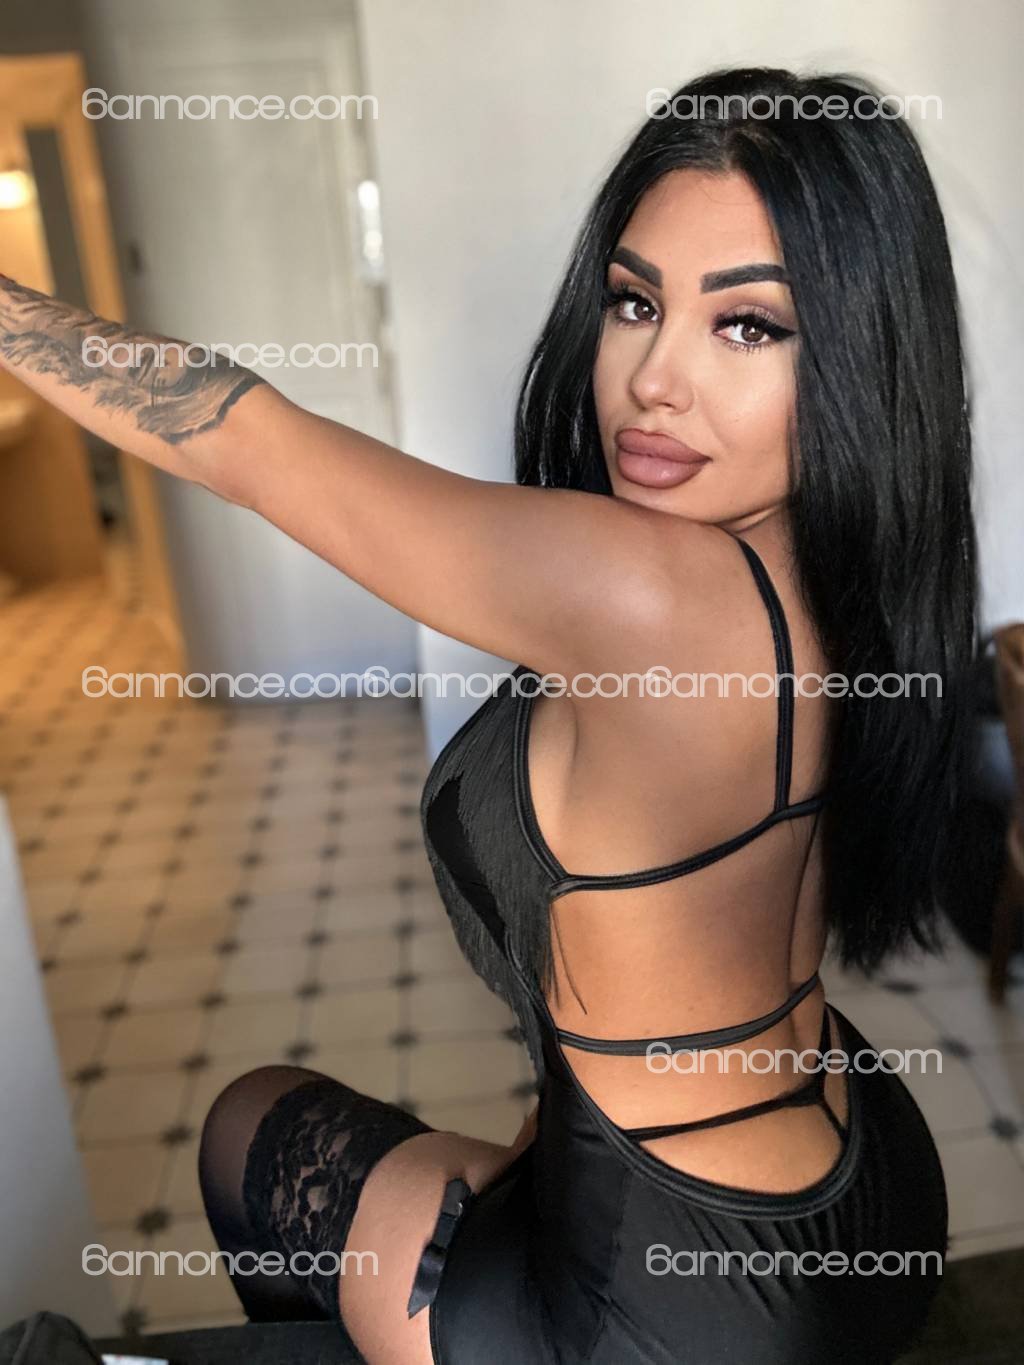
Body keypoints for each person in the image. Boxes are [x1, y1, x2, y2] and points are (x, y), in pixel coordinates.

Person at [0, 64, 977, 1365]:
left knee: (244, 1128)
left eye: (748, 326)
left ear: (859, 352)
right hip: (851, 1175)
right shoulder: (846, 573)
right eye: (635, 302)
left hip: (669, 1309)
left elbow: (242, 442)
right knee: (268, 1125)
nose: (654, 379)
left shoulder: (651, 593)